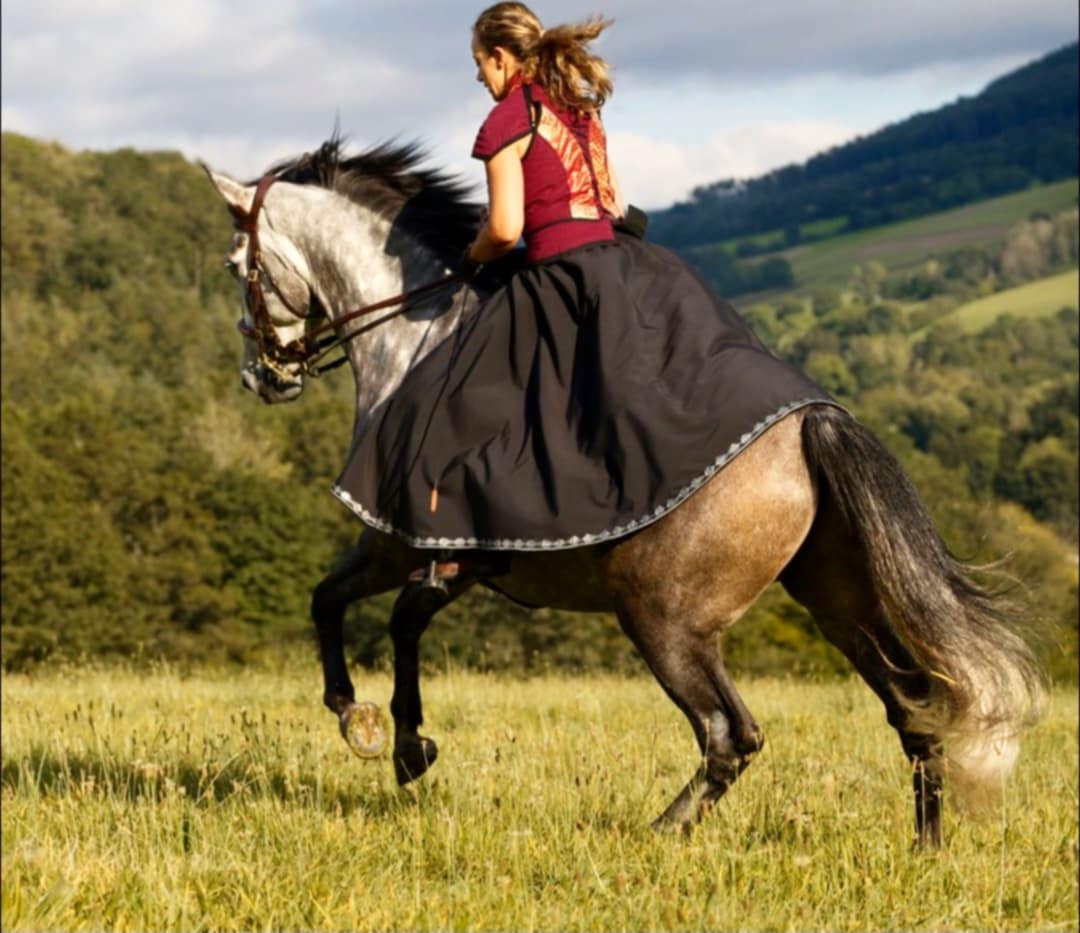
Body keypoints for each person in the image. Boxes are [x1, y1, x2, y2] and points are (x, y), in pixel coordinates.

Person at [332, 2, 831, 589]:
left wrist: (473, 257)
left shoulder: (507, 119)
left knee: (453, 393)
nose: (479, 77)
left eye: (479, 64)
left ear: (501, 58)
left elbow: (505, 229)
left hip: (559, 275)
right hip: (620, 265)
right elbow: (612, 202)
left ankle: (453, 546)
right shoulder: (580, 109)